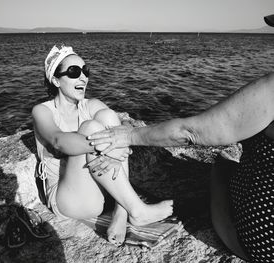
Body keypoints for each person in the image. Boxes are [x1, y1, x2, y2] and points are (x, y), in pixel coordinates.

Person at [88, 16, 274, 262]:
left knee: (222, 166)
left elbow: (191, 133)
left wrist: (130, 134)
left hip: (264, 241)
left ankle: (133, 210)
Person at [32, 45, 173, 246]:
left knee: (107, 118)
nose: (83, 77)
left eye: (85, 71)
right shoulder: (42, 111)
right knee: (92, 128)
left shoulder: (91, 105)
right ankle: (136, 209)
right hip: (68, 198)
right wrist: (104, 145)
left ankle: (121, 210)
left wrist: (115, 141)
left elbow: (120, 130)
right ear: (55, 80)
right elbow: (59, 141)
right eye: (74, 72)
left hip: (100, 192)